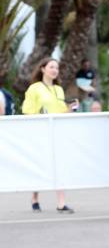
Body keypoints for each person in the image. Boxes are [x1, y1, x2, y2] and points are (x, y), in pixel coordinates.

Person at [22, 57, 76, 213]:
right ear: (42, 69)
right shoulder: (34, 88)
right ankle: (34, 197)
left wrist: (70, 109)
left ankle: (61, 203)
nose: (55, 70)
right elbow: (27, 111)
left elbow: (62, 112)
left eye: (57, 68)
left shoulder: (59, 89)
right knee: (39, 166)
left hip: (57, 133)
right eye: (52, 67)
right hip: (39, 133)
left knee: (60, 166)